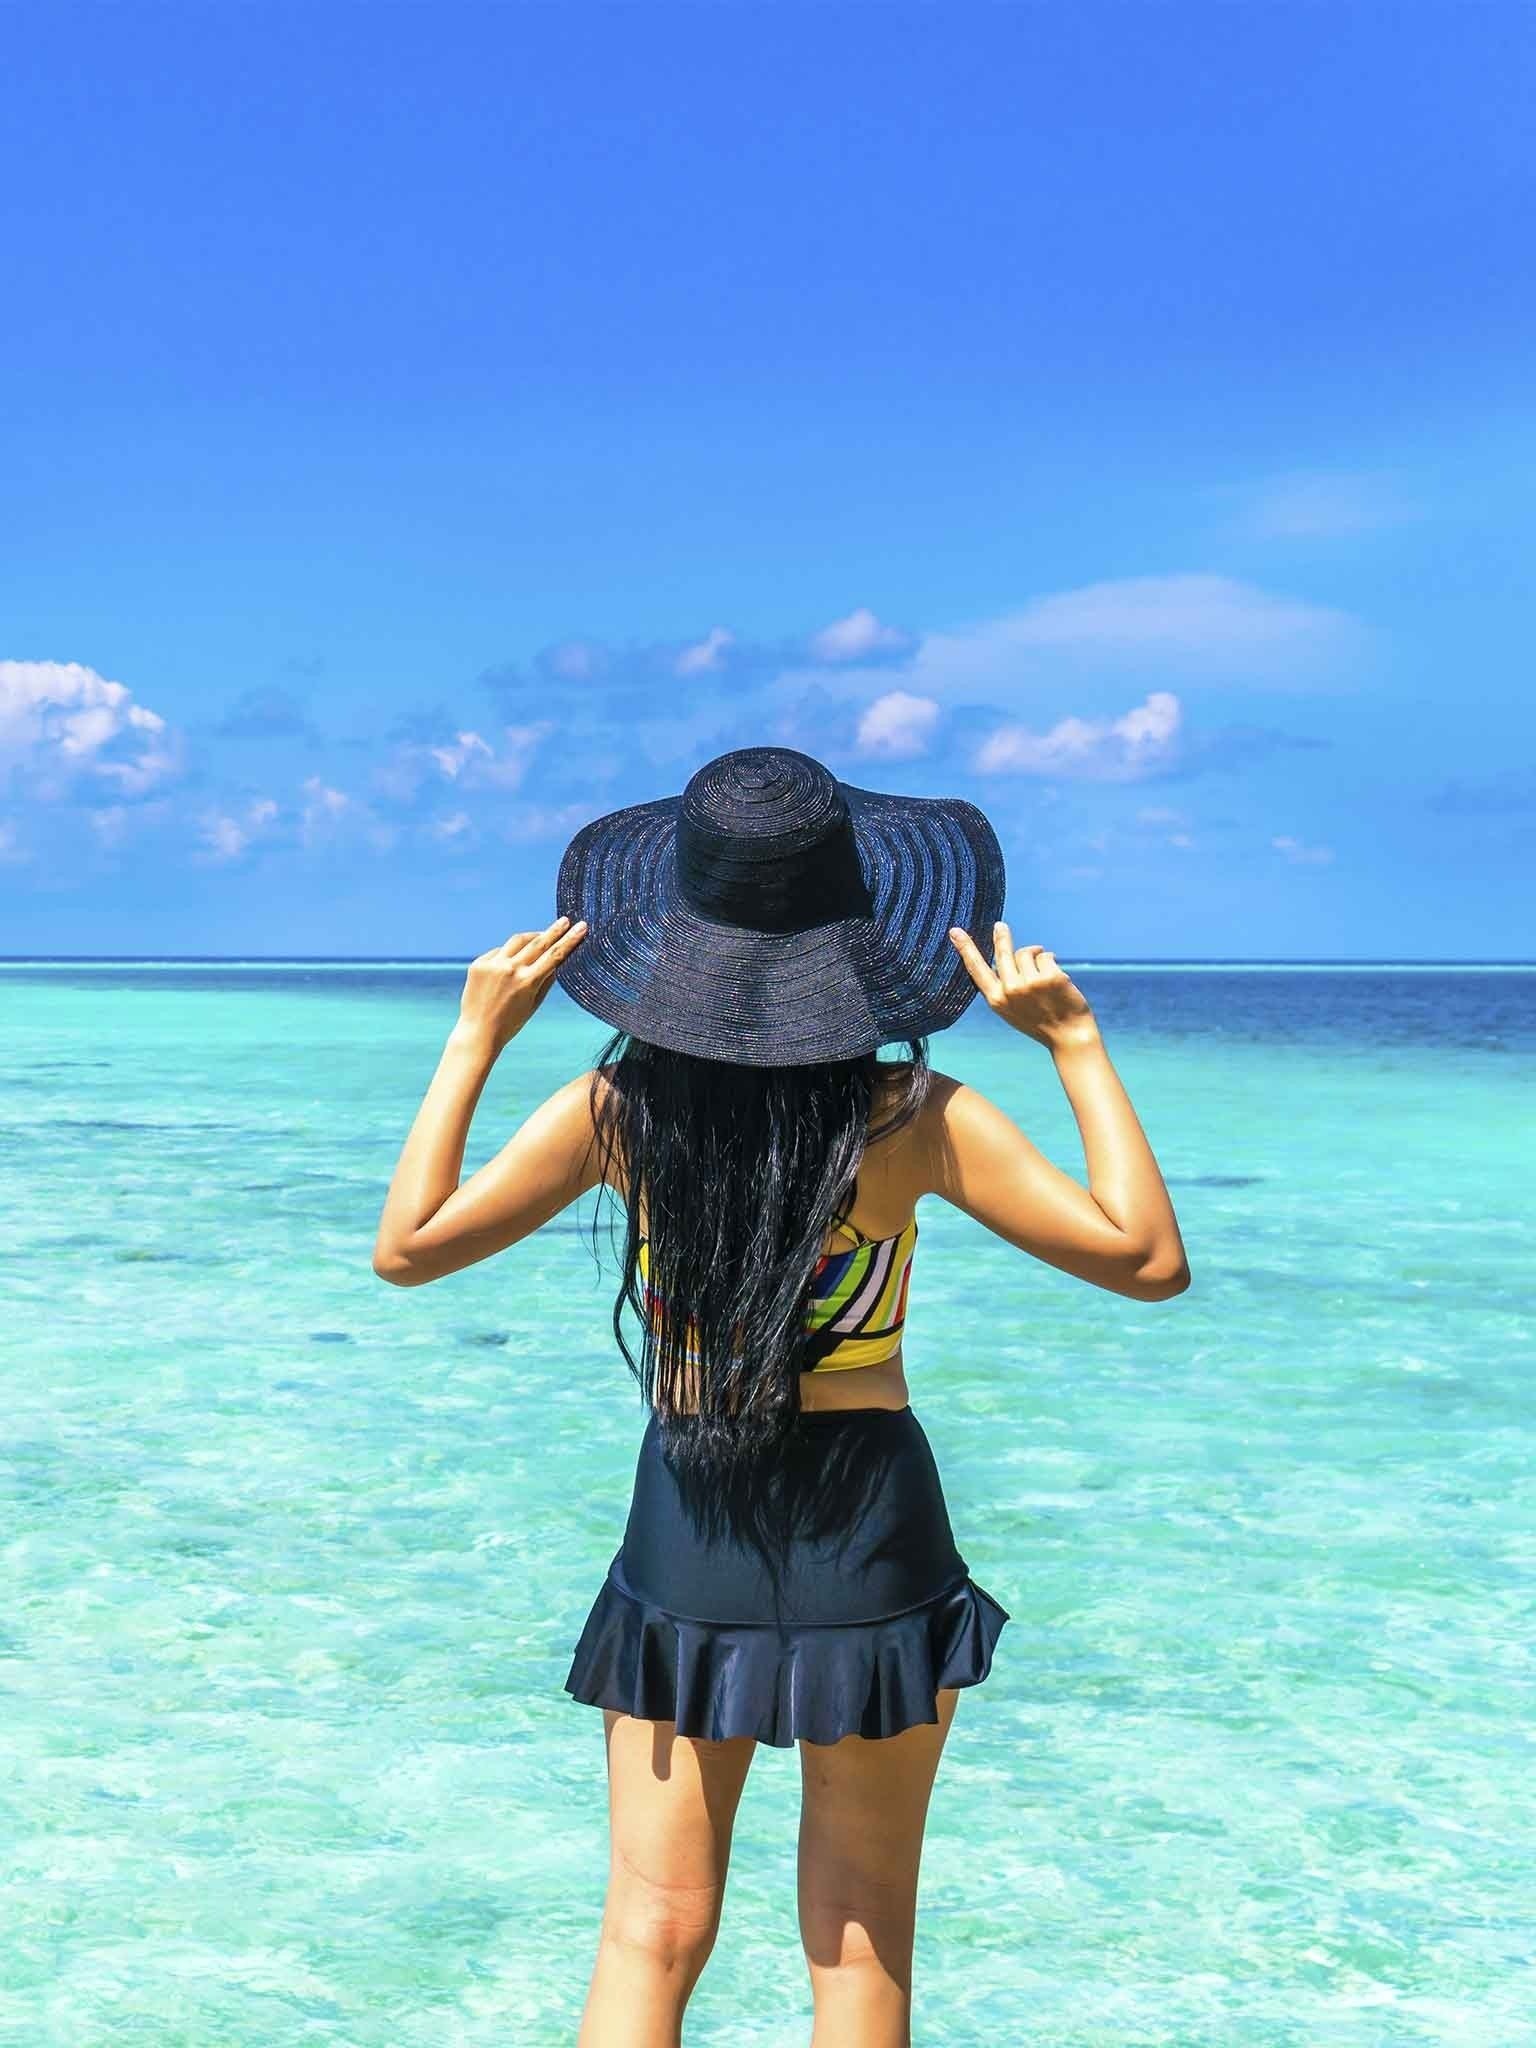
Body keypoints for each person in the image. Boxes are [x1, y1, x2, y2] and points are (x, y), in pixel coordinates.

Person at [372, 745, 1190, 2048]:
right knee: (861, 1937)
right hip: (870, 1519)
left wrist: (474, 1035)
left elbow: (409, 1246)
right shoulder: (913, 1114)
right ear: (855, 930)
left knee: (650, 1929)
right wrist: (1077, 1045)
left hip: (692, 1508)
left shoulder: (621, 1114)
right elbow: (1147, 1262)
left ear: (683, 934)